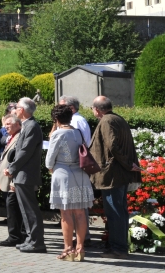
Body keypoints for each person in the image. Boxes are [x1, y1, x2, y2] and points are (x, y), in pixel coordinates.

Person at [89, 95, 141, 259]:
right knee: (120, 211)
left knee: (115, 212)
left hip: (112, 175)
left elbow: (112, 145)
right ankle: (119, 246)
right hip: (118, 173)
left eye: (92, 108)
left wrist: (128, 164)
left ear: (97, 109)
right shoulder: (118, 119)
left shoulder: (107, 121)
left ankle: (118, 248)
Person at [46, 104, 95, 261]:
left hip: (63, 174)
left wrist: (51, 168)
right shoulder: (78, 132)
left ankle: (68, 249)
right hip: (80, 173)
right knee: (80, 212)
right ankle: (80, 248)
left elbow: (49, 160)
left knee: (66, 213)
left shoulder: (57, 134)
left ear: (56, 119)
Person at [5, 97, 47, 253]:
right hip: (22, 173)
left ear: (21, 110)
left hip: (26, 173)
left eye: (16, 107)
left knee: (30, 209)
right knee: (25, 209)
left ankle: (37, 242)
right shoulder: (27, 125)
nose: (14, 110)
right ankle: (30, 239)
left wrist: (12, 168)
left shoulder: (31, 126)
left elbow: (25, 151)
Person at [0, 114, 26, 247]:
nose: (5, 126)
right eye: (5, 124)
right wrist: (1, 181)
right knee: (12, 208)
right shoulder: (12, 137)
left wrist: (14, 182)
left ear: (18, 124)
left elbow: (19, 161)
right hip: (8, 180)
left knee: (13, 208)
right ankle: (17, 235)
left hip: (14, 181)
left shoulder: (20, 137)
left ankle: (15, 236)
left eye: (8, 124)